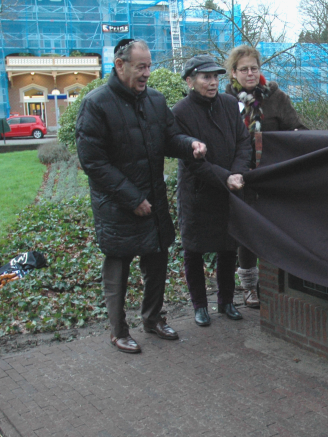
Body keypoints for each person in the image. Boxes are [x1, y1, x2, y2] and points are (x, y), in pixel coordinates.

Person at [76, 39, 207, 354]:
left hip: (154, 200)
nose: (147, 72)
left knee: (157, 262)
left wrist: (189, 144)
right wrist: (132, 198)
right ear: (120, 65)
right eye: (141, 66)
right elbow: (93, 162)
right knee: (118, 271)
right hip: (117, 206)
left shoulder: (155, 101)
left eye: (149, 66)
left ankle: (152, 319)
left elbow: (170, 138)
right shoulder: (95, 104)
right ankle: (118, 330)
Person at [172, 55, 252, 326]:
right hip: (197, 193)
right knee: (194, 250)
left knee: (228, 248)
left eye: (216, 77)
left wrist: (238, 172)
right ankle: (199, 305)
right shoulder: (180, 112)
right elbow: (192, 163)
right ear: (190, 81)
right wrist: (225, 177)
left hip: (228, 189)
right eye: (206, 77)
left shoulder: (230, 104)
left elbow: (243, 141)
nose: (212, 82)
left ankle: (227, 301)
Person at [224, 45, 306, 308]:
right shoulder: (224, 100)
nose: (250, 73)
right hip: (237, 175)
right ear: (233, 72)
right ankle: (249, 287)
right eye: (244, 69)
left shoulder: (275, 97)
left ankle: (275, 282)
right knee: (245, 232)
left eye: (254, 68)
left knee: (273, 228)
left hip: (269, 174)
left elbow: (296, 130)